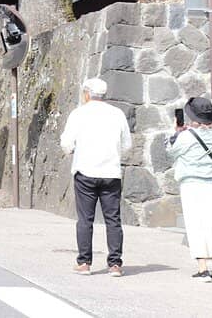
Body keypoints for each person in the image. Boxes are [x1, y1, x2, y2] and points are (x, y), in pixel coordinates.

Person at [60, 77, 132, 277]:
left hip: (85, 172)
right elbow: (127, 145)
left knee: (85, 219)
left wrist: (74, 150)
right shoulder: (117, 114)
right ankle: (115, 264)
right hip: (111, 173)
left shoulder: (78, 114)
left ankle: (84, 263)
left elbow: (66, 144)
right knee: (113, 219)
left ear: (86, 93)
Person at [167, 96, 212, 282]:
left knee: (196, 224)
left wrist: (175, 133)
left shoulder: (185, 137)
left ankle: (203, 269)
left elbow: (171, 153)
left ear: (192, 117)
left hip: (192, 184)